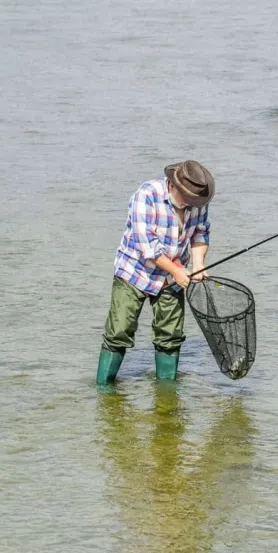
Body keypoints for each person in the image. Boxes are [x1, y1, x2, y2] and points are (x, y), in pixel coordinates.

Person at [96, 160, 213, 385]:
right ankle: (104, 389)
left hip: (172, 277)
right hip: (134, 271)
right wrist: (178, 271)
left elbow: (200, 233)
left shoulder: (198, 202)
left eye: (195, 199)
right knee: (119, 331)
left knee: (170, 336)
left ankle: (167, 395)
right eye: (187, 197)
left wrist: (198, 264)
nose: (192, 203)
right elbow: (148, 248)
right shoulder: (146, 196)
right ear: (172, 185)